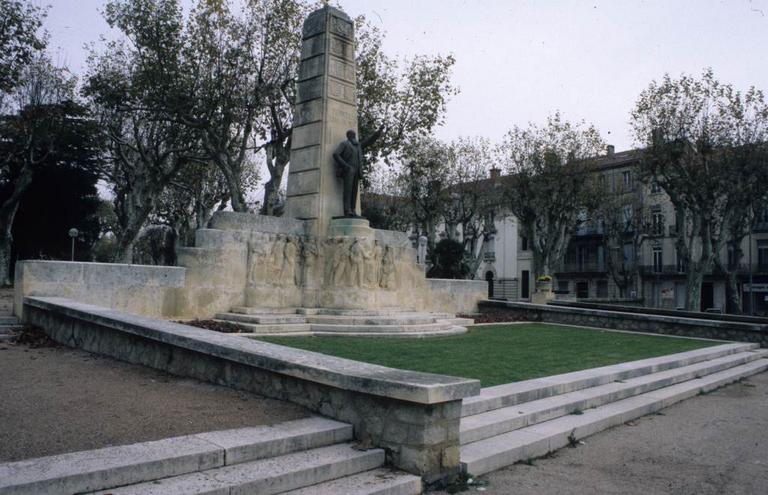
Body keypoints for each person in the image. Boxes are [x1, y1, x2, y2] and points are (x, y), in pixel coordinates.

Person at [332, 129, 364, 217]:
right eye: (353, 135)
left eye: (355, 135)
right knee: (348, 191)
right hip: (348, 170)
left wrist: (378, 133)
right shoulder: (344, 144)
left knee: (354, 191)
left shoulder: (358, 146)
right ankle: (347, 210)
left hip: (357, 171)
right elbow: (336, 154)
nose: (354, 137)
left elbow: (368, 142)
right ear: (349, 136)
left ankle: (353, 209)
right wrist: (345, 165)